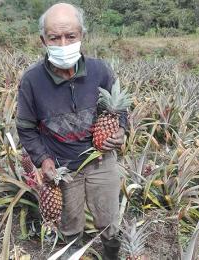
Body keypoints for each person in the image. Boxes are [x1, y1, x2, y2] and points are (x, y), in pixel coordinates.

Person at [16, 3, 127, 259]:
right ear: (43, 39)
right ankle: (71, 252)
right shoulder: (32, 80)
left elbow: (119, 111)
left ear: (82, 36)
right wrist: (42, 160)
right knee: (70, 223)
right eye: (55, 37)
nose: (63, 43)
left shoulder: (100, 70)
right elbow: (26, 128)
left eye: (71, 36)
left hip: (101, 160)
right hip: (61, 166)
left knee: (109, 219)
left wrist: (120, 129)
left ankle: (113, 254)